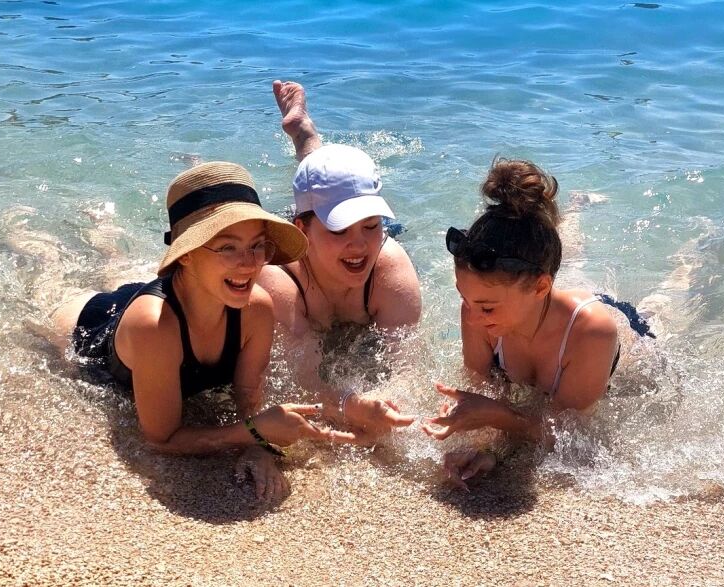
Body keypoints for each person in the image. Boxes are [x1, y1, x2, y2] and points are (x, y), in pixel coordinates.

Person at [11, 161, 357, 501]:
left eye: (257, 245)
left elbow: (248, 395)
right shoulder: (154, 328)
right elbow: (160, 438)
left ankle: (105, 236)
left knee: (116, 266)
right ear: (186, 254)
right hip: (91, 324)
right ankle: (17, 229)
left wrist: (259, 449)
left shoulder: (256, 308)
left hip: (181, 293)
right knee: (46, 275)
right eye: (228, 247)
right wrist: (254, 432)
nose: (250, 263)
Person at [421, 157, 655, 489]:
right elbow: (484, 395)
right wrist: (484, 448)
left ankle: (697, 251)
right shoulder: (478, 310)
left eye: (486, 307)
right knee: (567, 261)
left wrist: (497, 416)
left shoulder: (592, 334)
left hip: (623, 326)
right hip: (541, 302)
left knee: (669, 296)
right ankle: (576, 207)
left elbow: (572, 434)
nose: (472, 317)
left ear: (541, 287)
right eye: (464, 298)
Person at [258, 80, 422, 442]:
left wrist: (386, 405)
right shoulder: (278, 278)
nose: (359, 244)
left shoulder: (389, 266)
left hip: (321, 229)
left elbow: (407, 369)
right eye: (340, 228)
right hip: (303, 250)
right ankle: (305, 137)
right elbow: (300, 383)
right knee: (317, 191)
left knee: (335, 186)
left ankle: (304, 133)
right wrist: (350, 405)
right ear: (300, 230)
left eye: (371, 225)